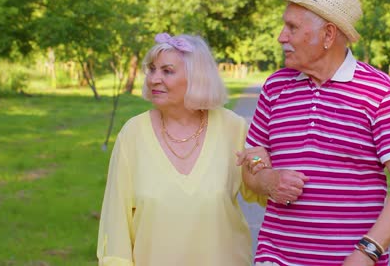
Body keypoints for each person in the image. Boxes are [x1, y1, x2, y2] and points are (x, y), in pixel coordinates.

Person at [237, 0, 390, 266]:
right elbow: (252, 167)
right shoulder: (275, 87)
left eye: (292, 27)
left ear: (328, 35)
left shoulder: (379, 92)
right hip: (276, 258)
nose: (281, 37)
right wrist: (267, 179)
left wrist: (367, 253)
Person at [97, 32, 268, 265]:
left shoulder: (233, 127)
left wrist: (262, 164)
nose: (154, 79)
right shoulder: (132, 134)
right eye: (152, 69)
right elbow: (116, 219)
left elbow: (263, 191)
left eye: (167, 71)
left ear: (196, 77)